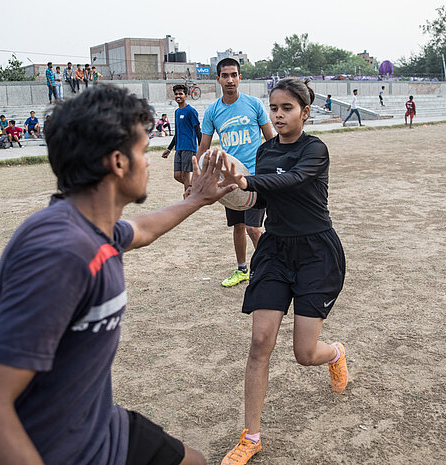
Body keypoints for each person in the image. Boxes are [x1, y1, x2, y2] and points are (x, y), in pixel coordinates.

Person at [0, 84, 234, 465]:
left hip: (99, 425)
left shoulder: (91, 228)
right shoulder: (62, 252)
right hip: (61, 451)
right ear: (118, 162)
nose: (149, 162)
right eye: (142, 151)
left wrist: (197, 198)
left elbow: (144, 230)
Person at [216, 77, 348, 465]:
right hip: (275, 251)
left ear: (305, 113)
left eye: (287, 108)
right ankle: (251, 436)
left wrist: (247, 180)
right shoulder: (266, 150)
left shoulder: (315, 150)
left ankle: (336, 353)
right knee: (260, 342)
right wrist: (228, 189)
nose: (278, 114)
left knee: (305, 353)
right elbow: (259, 194)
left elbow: (292, 180)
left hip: (315, 253)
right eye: (273, 108)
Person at [196, 57, 275, 288]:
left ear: (240, 77)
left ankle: (269, 269)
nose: (230, 80)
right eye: (225, 75)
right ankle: (242, 270)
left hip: (254, 177)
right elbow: (203, 148)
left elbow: (271, 140)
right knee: (238, 226)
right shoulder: (212, 111)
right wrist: (196, 179)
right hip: (229, 180)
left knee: (253, 227)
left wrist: (272, 172)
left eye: (234, 75)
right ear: (218, 79)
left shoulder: (254, 105)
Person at [163, 84, 202, 196]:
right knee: (177, 175)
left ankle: (187, 200)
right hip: (179, 148)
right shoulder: (177, 112)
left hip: (189, 147)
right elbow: (177, 133)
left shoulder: (191, 111)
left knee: (185, 175)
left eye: (181, 93)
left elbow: (198, 131)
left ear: (186, 95)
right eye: (176, 94)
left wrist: (202, 148)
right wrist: (169, 149)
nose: (178, 96)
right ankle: (194, 188)